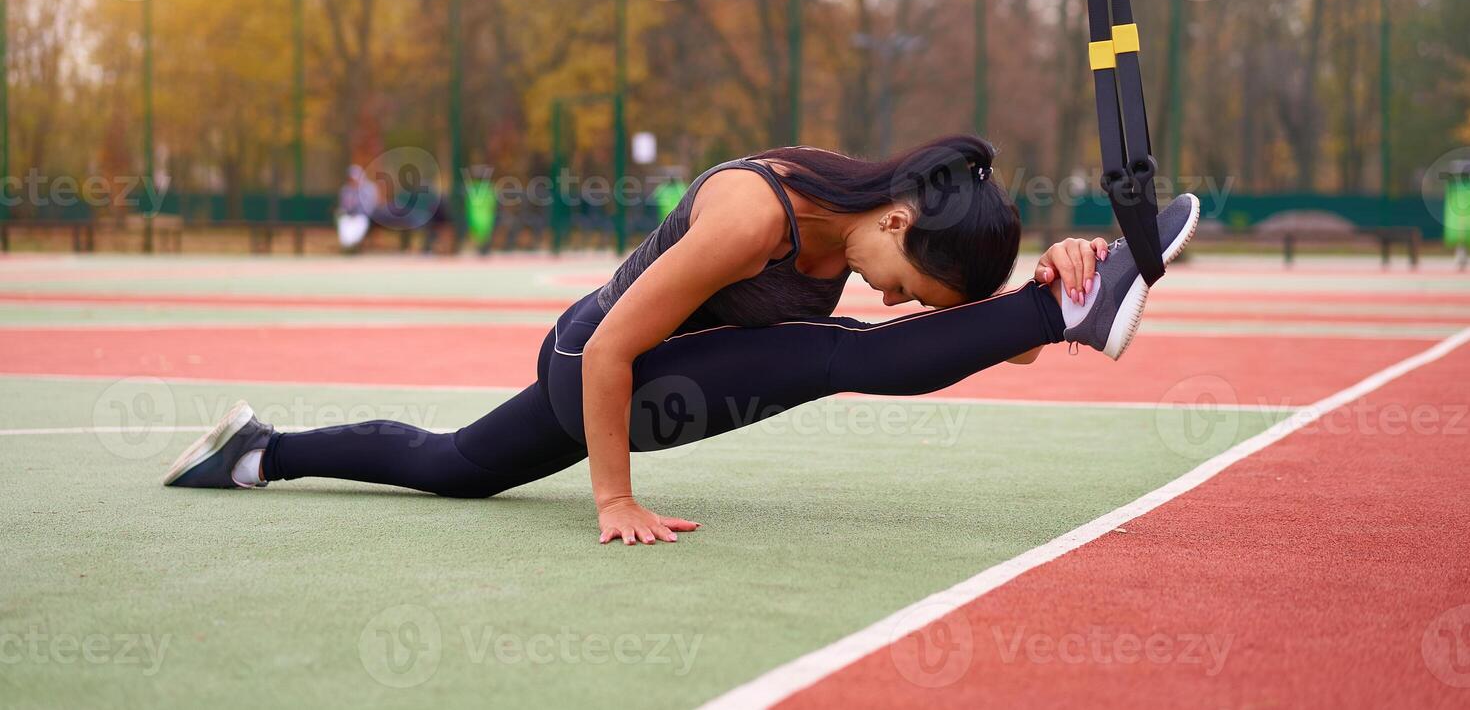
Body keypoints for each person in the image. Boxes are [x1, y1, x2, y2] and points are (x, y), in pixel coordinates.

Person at [164, 136, 1200, 546]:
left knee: (455, 466)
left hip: (647, 371)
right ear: (897, 221)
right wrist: (611, 497)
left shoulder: (864, 222)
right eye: (907, 283)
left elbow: (959, 339)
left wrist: (1054, 275)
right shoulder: (756, 215)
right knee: (834, 351)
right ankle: (1075, 313)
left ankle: (256, 449)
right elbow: (614, 344)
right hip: (601, 366)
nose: (897, 303)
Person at [335, 165, 378, 253]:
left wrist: (357, 211)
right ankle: (347, 246)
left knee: (359, 224)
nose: (353, 180)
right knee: (344, 222)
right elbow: (343, 206)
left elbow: (369, 206)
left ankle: (352, 246)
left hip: (362, 216)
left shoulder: (369, 189)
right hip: (348, 216)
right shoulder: (346, 190)